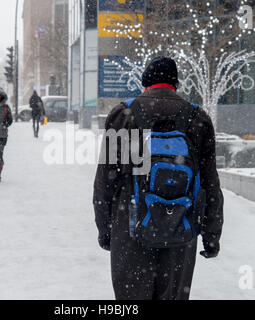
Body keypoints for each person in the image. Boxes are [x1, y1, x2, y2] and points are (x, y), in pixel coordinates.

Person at [93, 56, 224, 300]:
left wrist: (105, 229)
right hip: (181, 230)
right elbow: (210, 184)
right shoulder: (198, 119)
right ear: (175, 83)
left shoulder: (123, 115)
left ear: (145, 82)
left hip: (130, 226)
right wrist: (211, 236)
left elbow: (105, 180)